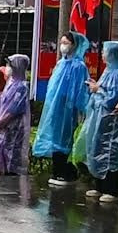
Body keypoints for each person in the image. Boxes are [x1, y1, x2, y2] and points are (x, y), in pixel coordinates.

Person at [34, 31, 91, 186]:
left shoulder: (79, 66)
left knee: (64, 139)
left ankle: (66, 173)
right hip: (55, 107)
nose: (62, 46)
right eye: (62, 42)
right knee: (54, 138)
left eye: (66, 43)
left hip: (67, 109)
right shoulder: (61, 63)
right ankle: (58, 171)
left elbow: (79, 91)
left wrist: (79, 108)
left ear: (75, 45)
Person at [80, 42, 118, 203]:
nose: (102, 54)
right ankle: (99, 185)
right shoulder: (108, 71)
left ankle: (111, 189)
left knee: (110, 153)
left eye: (105, 52)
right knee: (97, 149)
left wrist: (97, 90)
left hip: (110, 121)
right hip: (99, 118)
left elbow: (114, 98)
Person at [0, 55, 33, 175]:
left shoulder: (21, 87)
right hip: (3, 128)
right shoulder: (10, 83)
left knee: (12, 158)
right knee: (1, 158)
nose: (8, 68)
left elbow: (13, 108)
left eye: (10, 65)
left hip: (13, 128)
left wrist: (1, 121)